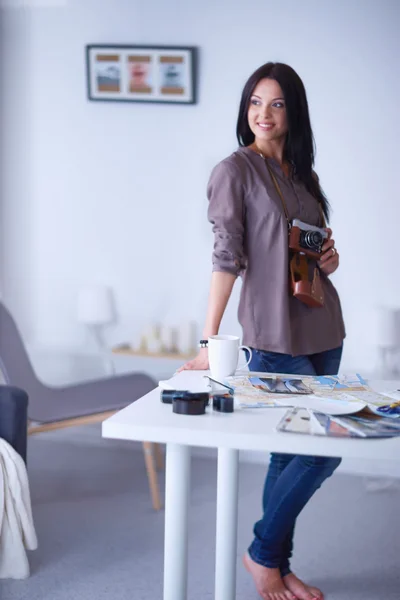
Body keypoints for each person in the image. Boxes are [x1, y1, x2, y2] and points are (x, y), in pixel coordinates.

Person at [178, 62, 345, 600]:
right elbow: (226, 258)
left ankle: (278, 564)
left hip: (324, 327)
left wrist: (329, 258)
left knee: (289, 451)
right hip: (272, 333)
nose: (263, 113)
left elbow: (310, 256)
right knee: (322, 449)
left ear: (292, 111)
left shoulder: (302, 175)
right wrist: (210, 342)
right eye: (255, 101)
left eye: (275, 103)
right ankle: (262, 554)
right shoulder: (234, 171)